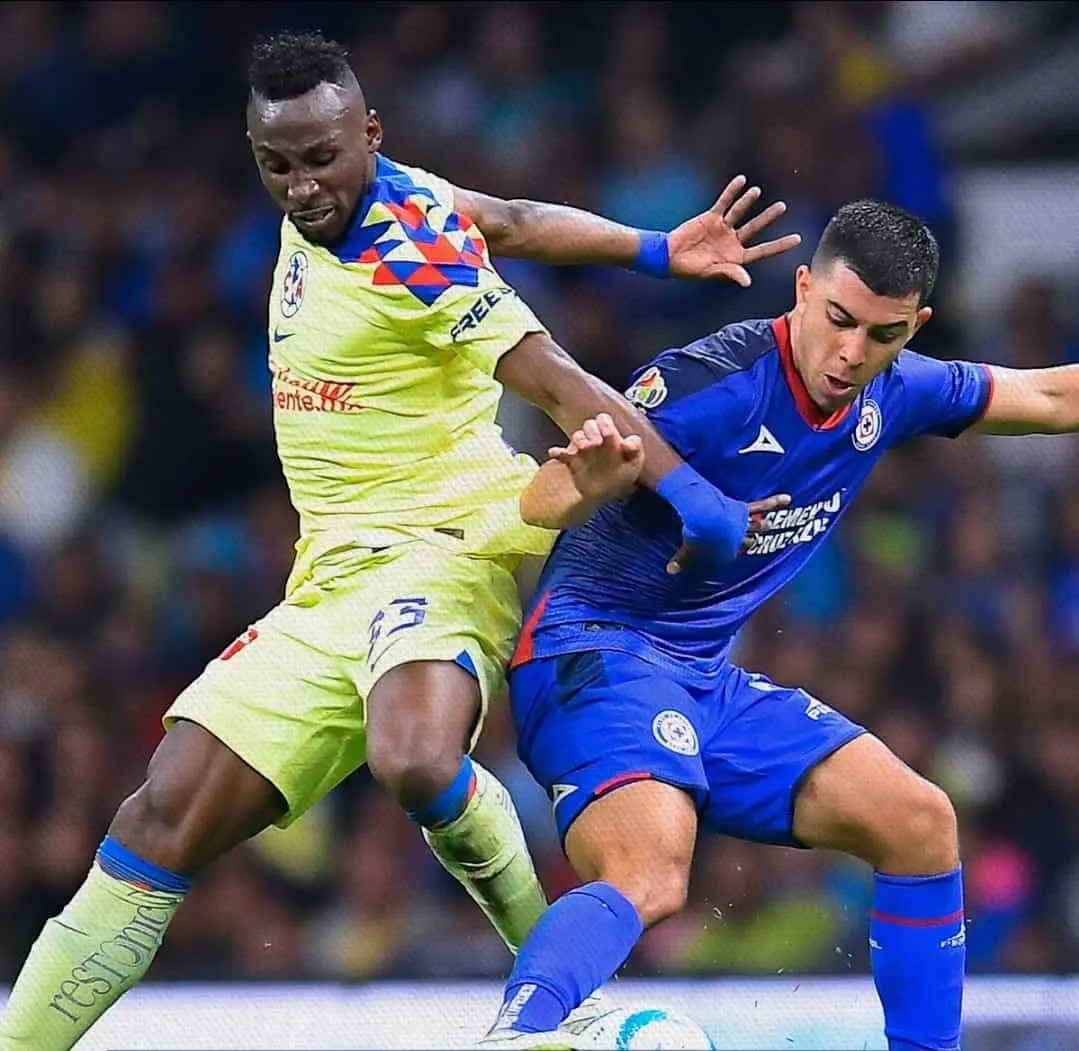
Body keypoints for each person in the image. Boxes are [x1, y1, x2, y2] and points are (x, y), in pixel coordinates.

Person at [0, 30, 800, 1051]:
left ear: (367, 135)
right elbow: (504, 219)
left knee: (415, 757)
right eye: (276, 163)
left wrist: (694, 499)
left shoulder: (407, 244)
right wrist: (646, 247)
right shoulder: (362, 203)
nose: (300, 185)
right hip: (330, 575)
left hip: (446, 542)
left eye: (322, 158)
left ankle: (570, 1007)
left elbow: (557, 381)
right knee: (155, 818)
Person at [481, 198, 1079, 1051]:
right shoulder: (708, 383)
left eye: (882, 334)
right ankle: (518, 1035)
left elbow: (1049, 395)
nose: (851, 353)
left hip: (703, 680)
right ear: (801, 288)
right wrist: (586, 480)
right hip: (590, 654)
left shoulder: (893, 393)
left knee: (919, 821)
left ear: (915, 327)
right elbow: (537, 499)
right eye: (837, 319)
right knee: (651, 873)